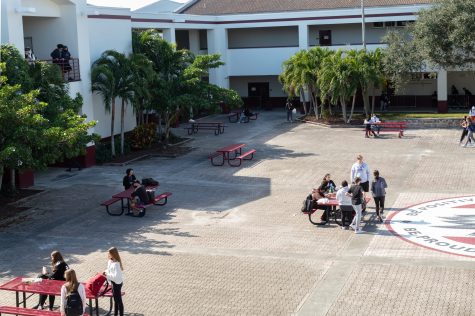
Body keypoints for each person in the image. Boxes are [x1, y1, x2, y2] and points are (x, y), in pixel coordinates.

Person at [104, 247, 124, 316]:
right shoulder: (110, 261)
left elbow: (116, 277)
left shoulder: (116, 265)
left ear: (113, 254)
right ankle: (115, 314)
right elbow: (108, 270)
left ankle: (121, 314)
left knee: (119, 301)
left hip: (117, 284)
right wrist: (105, 272)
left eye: (109, 253)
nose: (108, 255)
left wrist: (107, 275)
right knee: (116, 300)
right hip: (113, 283)